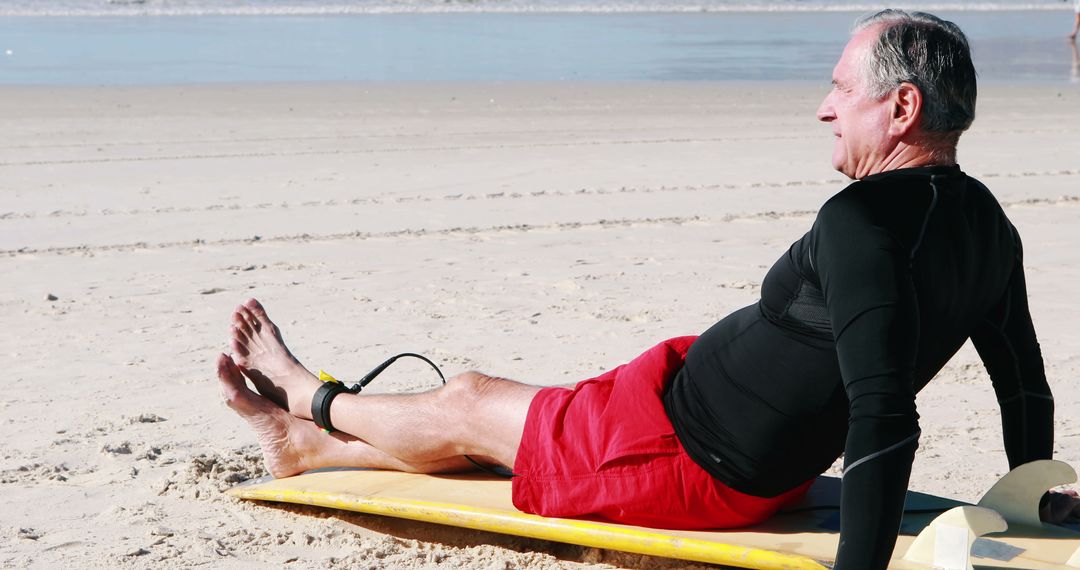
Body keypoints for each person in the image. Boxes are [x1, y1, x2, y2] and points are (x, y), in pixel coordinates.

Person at [215, 10, 1079, 569]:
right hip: (684, 403)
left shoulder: (867, 222)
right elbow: (1023, 380)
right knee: (507, 434)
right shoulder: (985, 223)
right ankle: (309, 451)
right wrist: (1032, 500)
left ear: (899, 108)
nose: (824, 108)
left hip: (683, 457)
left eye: (839, 89)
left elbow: (886, 411)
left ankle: (314, 400)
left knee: (472, 402)